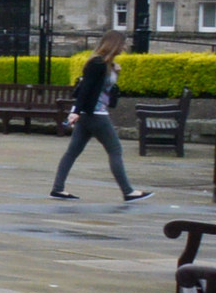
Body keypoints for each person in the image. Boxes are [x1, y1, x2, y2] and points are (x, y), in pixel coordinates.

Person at [50, 32, 153, 203]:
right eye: (123, 44)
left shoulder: (106, 64)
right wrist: (75, 111)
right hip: (95, 114)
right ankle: (128, 192)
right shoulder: (96, 63)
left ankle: (57, 189)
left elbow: (105, 91)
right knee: (115, 150)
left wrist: (115, 73)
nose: (125, 47)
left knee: (72, 152)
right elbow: (85, 89)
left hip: (89, 114)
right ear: (115, 44)